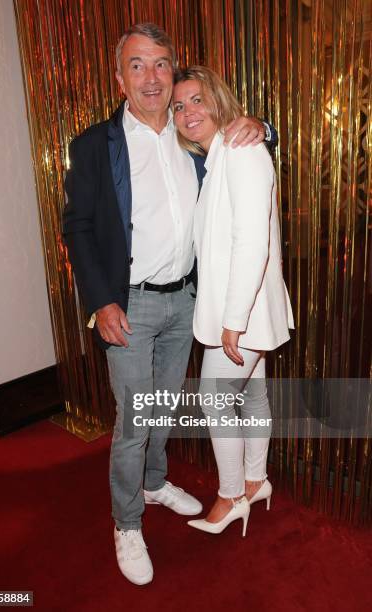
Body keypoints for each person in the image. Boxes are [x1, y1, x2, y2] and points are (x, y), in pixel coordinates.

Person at [63, 23, 277, 585]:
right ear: (119, 77)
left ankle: (154, 483)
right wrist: (101, 301)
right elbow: (77, 226)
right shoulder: (95, 145)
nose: (152, 77)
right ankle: (126, 521)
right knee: (134, 419)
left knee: (163, 407)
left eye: (161, 64)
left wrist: (266, 128)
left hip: (188, 300)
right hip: (128, 305)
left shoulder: (194, 137)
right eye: (138, 65)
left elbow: (241, 158)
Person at [173, 66, 294, 536]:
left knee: (214, 399)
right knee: (254, 395)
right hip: (246, 306)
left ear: (218, 100)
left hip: (241, 309)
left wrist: (234, 320)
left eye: (197, 100)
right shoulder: (218, 154)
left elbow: (252, 243)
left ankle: (230, 496)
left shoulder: (240, 149)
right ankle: (255, 478)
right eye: (179, 106)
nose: (187, 112)